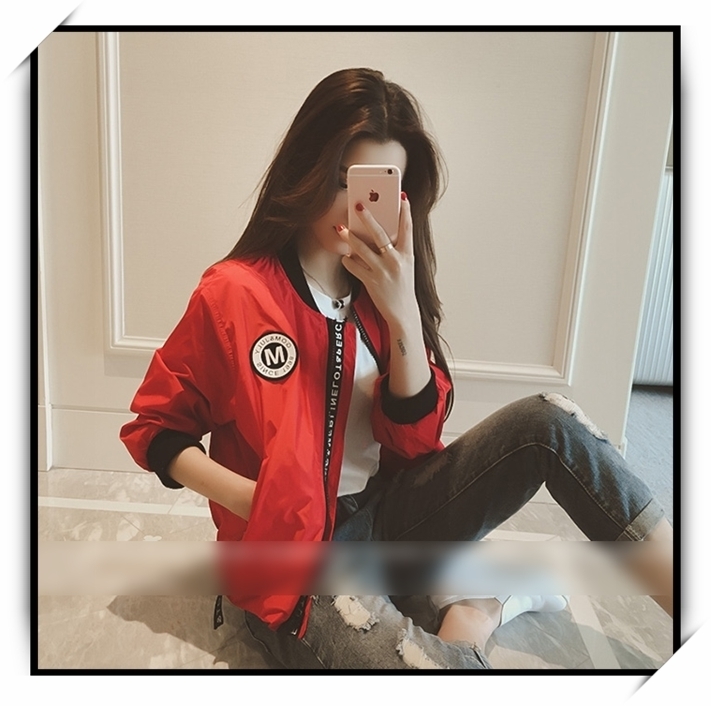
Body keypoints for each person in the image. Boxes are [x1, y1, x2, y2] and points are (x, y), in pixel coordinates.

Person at [120, 68, 673, 670]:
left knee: (552, 423)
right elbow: (157, 428)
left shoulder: (384, 293)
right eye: (342, 180)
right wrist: (255, 501)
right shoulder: (235, 293)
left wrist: (403, 312)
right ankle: (479, 605)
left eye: (380, 188)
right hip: (294, 566)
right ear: (305, 170)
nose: (356, 206)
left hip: (391, 521)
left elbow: (414, 443)